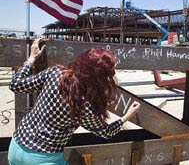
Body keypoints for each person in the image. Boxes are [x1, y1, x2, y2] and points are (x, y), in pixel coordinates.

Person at [8, 38, 140, 165]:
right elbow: (106, 132)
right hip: (44, 157)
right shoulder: (86, 106)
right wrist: (126, 117)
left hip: (16, 145)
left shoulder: (55, 73)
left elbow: (15, 85)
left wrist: (31, 59)